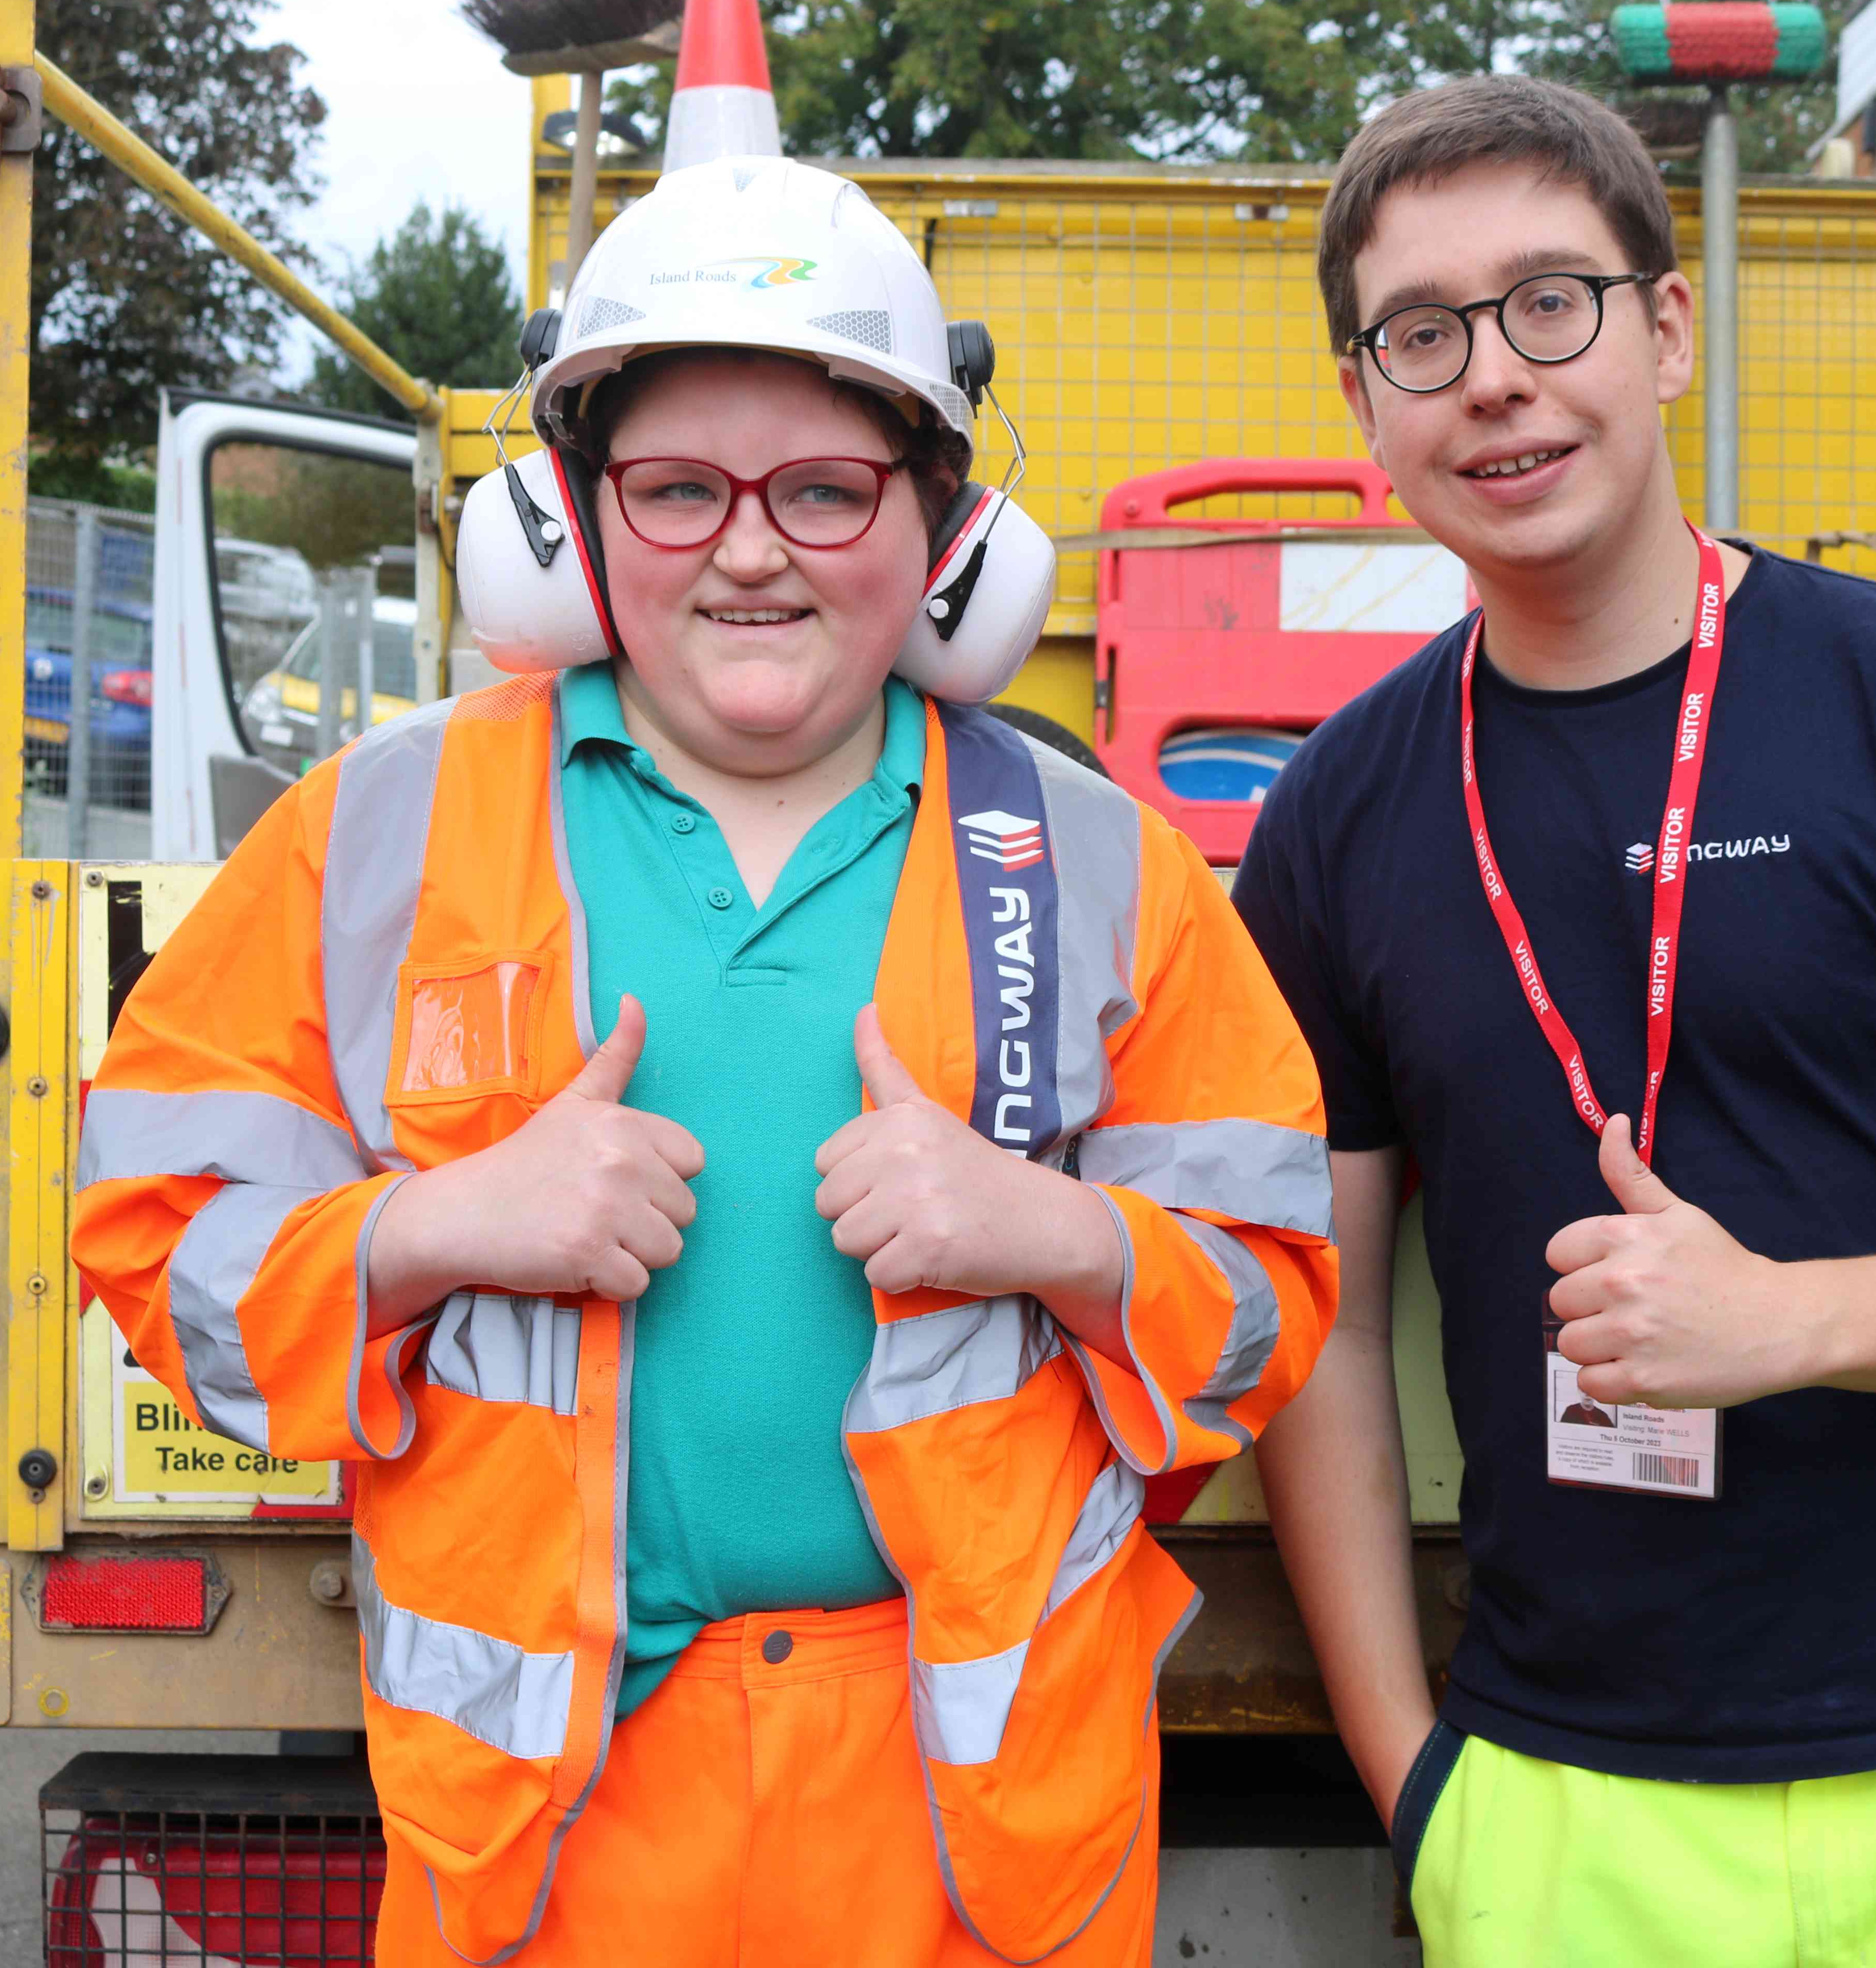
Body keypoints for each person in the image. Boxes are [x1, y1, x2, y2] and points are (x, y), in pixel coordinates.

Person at [73, 157, 1334, 1967]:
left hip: (971, 1829)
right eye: (677, 491)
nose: (751, 550)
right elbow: (154, 1245)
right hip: (547, 1833)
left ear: (942, 535)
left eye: (825, 491)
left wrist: (1059, 1235)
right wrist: (429, 1230)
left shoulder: (1093, 854)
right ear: (574, 524)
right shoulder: (380, 830)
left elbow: (1272, 1302)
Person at [1232, 77, 1876, 1968]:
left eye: (1552, 301)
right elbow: (1321, 1322)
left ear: (1665, 327)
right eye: (1418, 335)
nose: (1494, 378)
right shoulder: (1340, 815)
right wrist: (1412, 1778)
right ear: (1363, 407)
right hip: (1567, 1811)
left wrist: (1792, 1317)